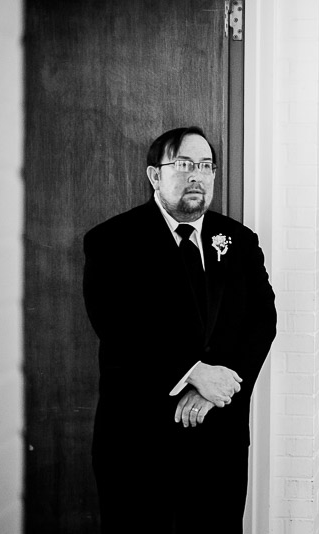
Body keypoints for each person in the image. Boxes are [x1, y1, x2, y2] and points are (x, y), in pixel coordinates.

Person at [83, 126, 276, 533]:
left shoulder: (238, 240)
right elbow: (117, 326)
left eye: (206, 166)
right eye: (185, 164)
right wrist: (193, 373)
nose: (197, 176)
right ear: (155, 175)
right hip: (137, 439)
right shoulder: (111, 241)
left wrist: (220, 388)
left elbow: (263, 321)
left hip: (218, 437)